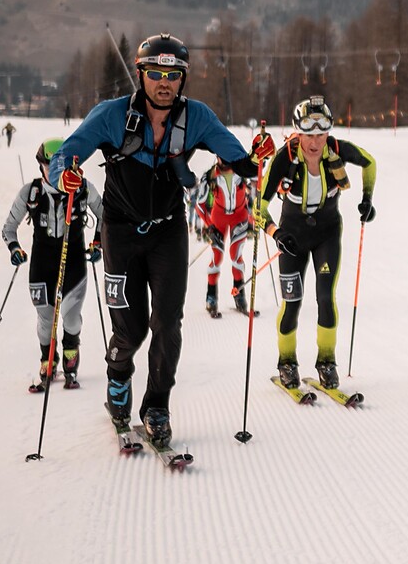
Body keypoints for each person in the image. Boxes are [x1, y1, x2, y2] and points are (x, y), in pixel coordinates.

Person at [48, 33, 259, 446]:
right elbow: (65, 156)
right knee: (130, 331)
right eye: (156, 74)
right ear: (141, 74)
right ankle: (118, 380)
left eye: (173, 75)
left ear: (183, 79)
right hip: (120, 232)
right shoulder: (111, 115)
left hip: (167, 232)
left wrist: (261, 155)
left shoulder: (196, 117)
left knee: (167, 323)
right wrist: (64, 176)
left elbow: (240, 159)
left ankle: (157, 406)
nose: (164, 83)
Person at [248, 95, 377, 396]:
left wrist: (368, 199)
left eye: (321, 134)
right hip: (292, 239)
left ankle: (326, 362)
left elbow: (370, 162)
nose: (315, 141)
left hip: (327, 234)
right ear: (298, 133)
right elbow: (258, 208)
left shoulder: (336, 150)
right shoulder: (284, 158)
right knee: (292, 302)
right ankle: (287, 362)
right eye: (309, 134)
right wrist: (276, 233)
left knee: (325, 297)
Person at [2, 137, 103, 390]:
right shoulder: (31, 192)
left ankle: (71, 357)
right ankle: (48, 360)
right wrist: (15, 248)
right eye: (49, 166)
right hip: (41, 263)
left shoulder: (83, 188)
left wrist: (98, 242)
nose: (55, 172)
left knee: (70, 318)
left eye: (61, 165)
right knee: (45, 319)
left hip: (74, 262)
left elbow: (105, 216)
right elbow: (8, 228)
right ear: (41, 166)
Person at [195, 157, 255, 316]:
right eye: (222, 155)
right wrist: (209, 226)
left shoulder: (243, 171)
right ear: (217, 156)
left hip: (239, 216)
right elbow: (199, 204)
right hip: (218, 219)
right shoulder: (209, 176)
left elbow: (259, 183)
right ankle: (211, 297)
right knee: (217, 257)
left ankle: (239, 296)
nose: (225, 158)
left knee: (236, 256)